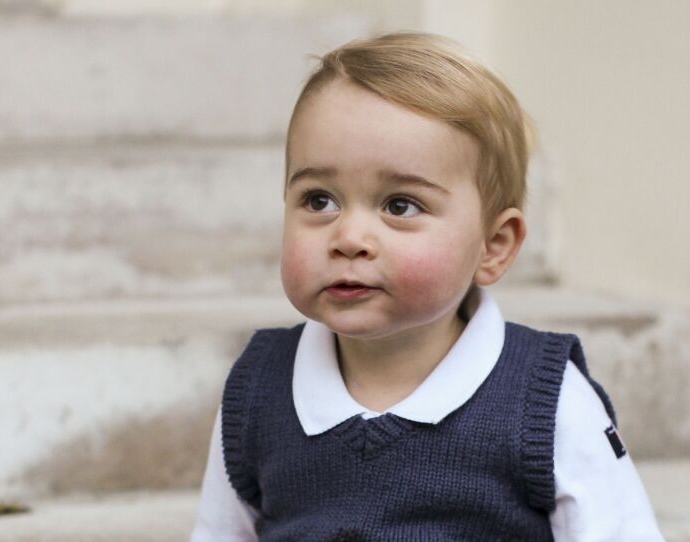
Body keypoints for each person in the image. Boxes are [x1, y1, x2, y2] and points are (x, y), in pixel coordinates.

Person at [191, 31, 663, 541]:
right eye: (319, 200)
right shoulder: (259, 388)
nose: (348, 238)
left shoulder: (544, 402)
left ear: (493, 245)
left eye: (400, 205)